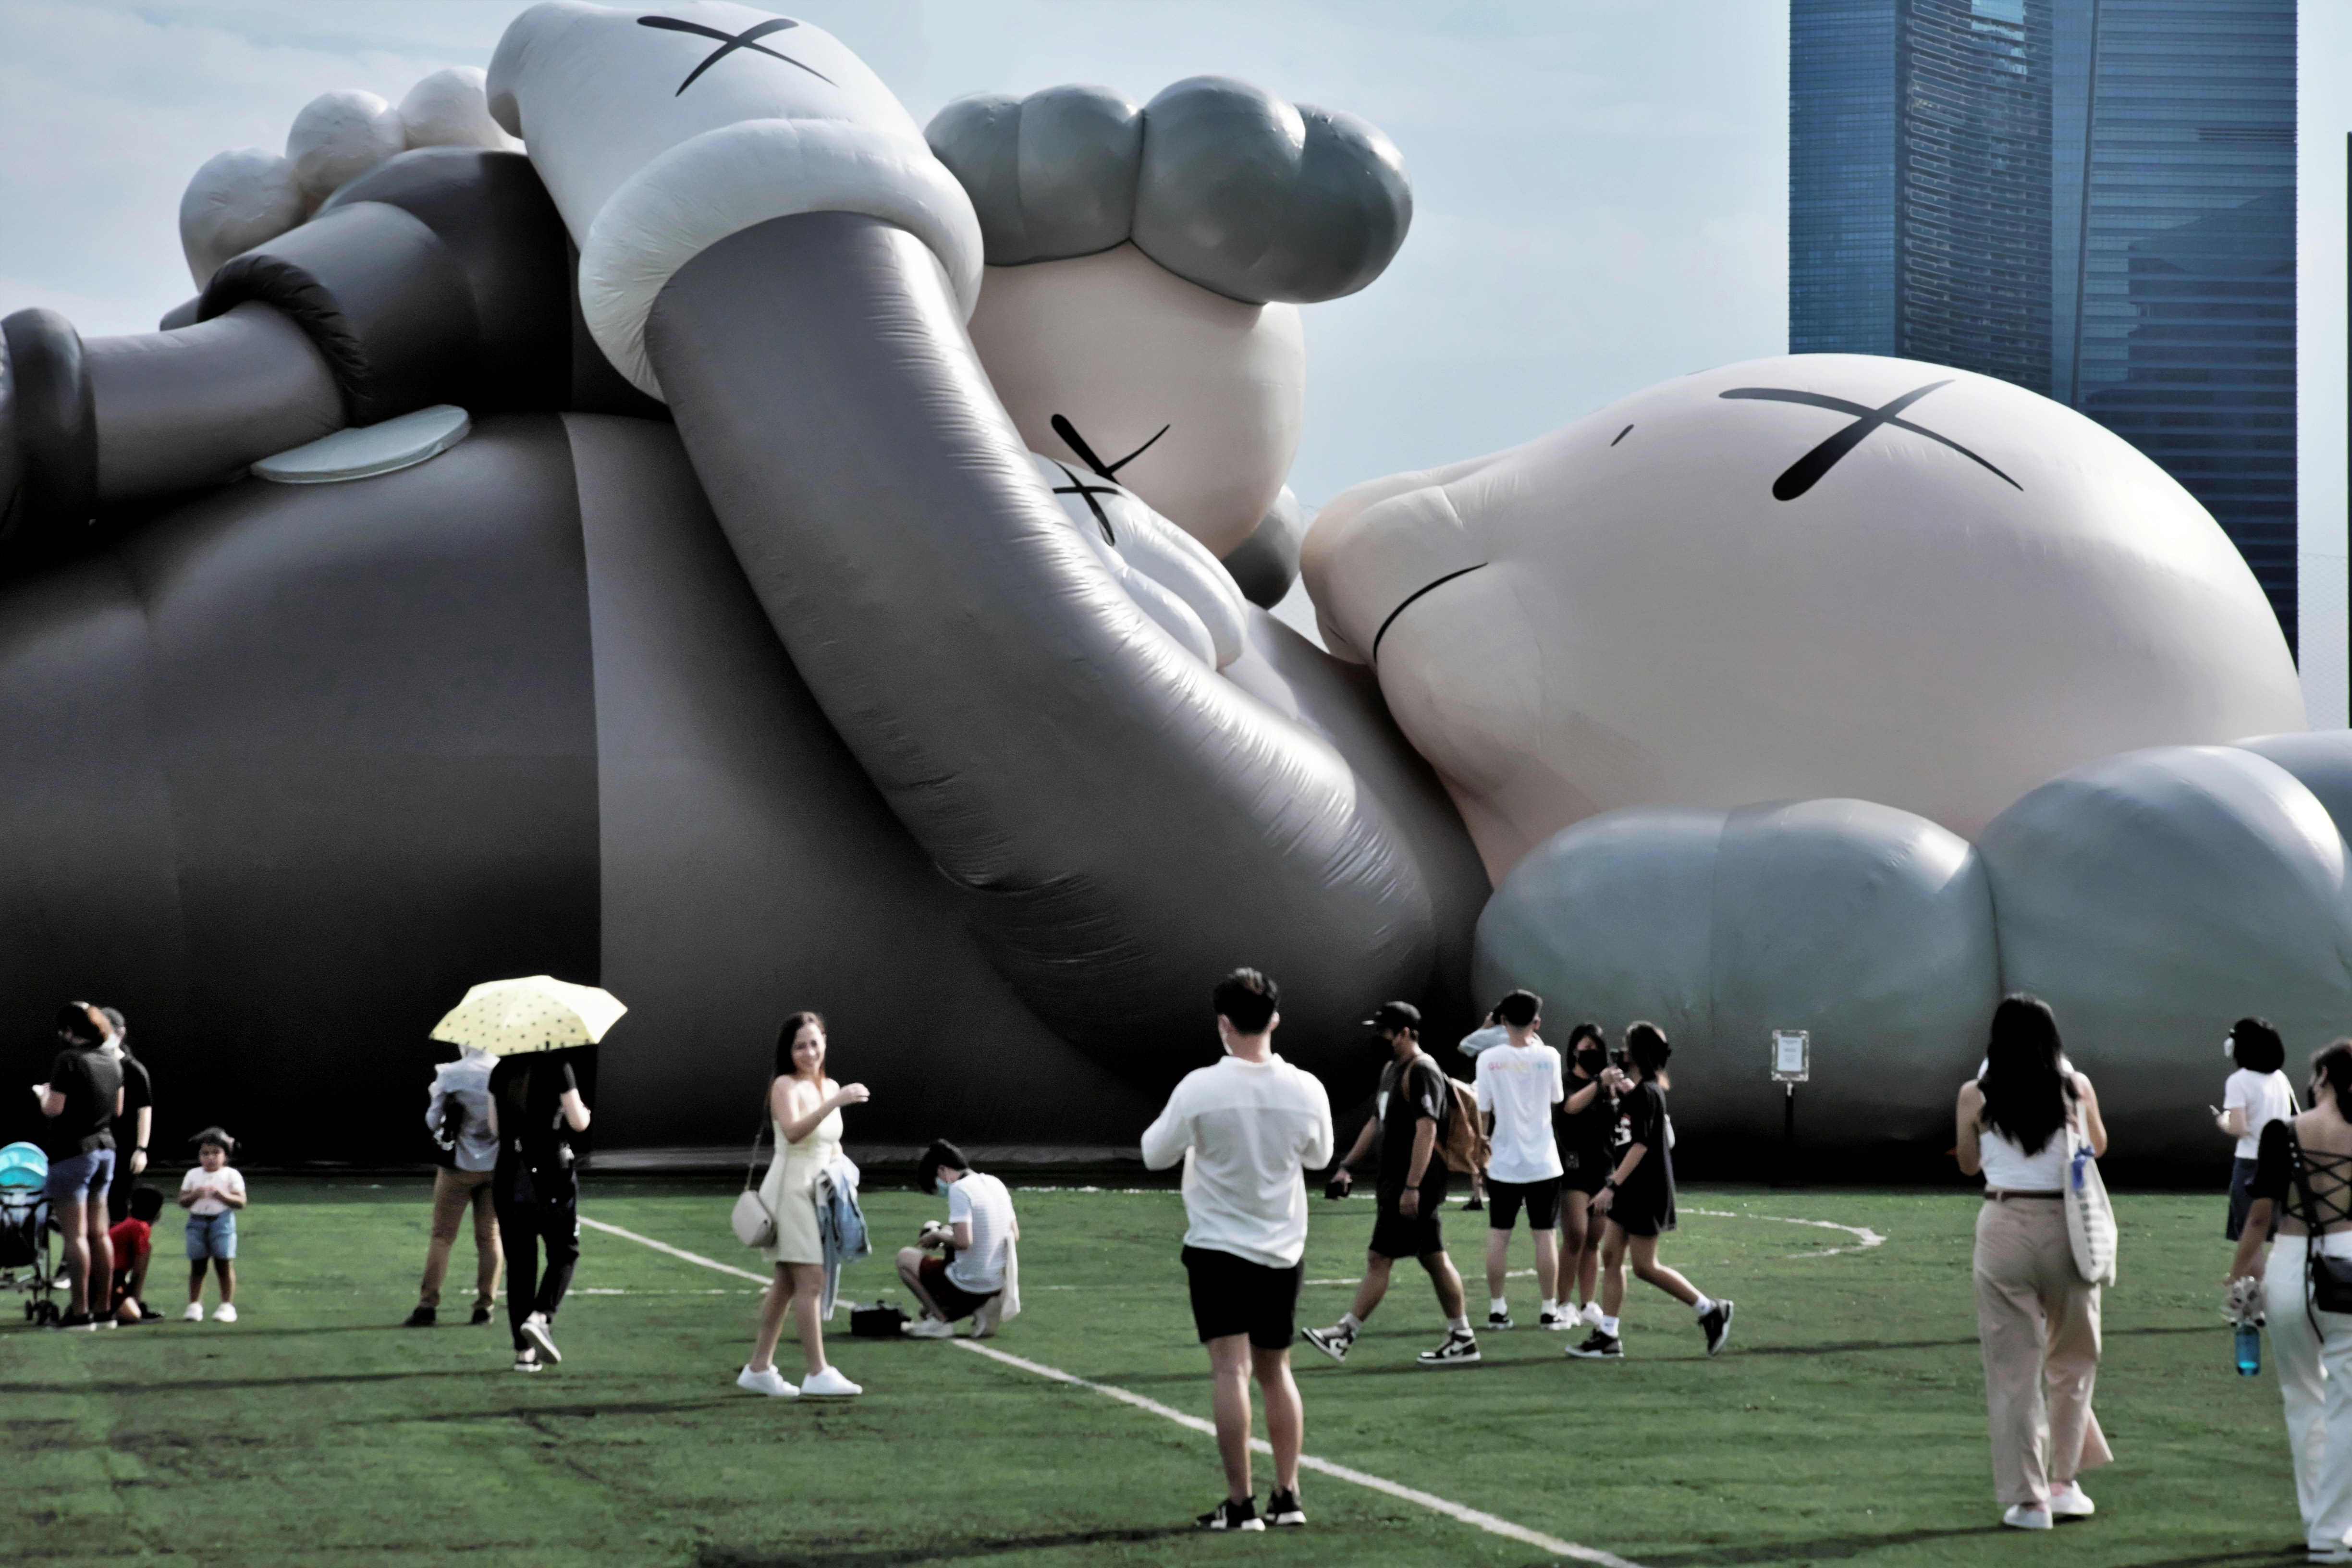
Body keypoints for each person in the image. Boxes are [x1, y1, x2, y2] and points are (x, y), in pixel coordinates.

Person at [1141, 968, 1333, 1531]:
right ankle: (1288, 1495)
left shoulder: (1200, 1087)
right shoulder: (1305, 1088)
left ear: (1223, 1024)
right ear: (1274, 1019)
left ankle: (1241, 1503)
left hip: (1219, 1248)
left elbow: (1155, 1153)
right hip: (1281, 1249)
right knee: (1276, 1370)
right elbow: (1320, 1158)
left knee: (1231, 1370)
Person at [1954, 995, 2110, 1530]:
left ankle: (2030, 1498)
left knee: (2012, 1369)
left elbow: (1970, 1165)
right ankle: (2065, 1481)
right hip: (2066, 1227)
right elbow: (2100, 1148)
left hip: (2003, 1222)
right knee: (2073, 1359)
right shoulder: (2076, 1088)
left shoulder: (1975, 1095)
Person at [1303, 1000, 1481, 1368]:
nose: (1378, 1037)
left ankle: (1345, 1333)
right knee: (1433, 1258)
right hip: (1398, 1182)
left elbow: (1427, 1127)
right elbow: (1376, 1122)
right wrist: (1347, 1166)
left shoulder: (1422, 1071)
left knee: (1379, 1257)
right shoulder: (1392, 1068)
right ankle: (1462, 1337)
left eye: (1384, 1031)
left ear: (1404, 1033)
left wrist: (1413, 1186)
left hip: (1411, 1184)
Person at [2229, 1040, 2352, 1563]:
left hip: (2289, 1265)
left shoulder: (2286, 1131)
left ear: (2322, 1075)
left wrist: (2238, 1280)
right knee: (2347, 1404)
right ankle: (2334, 1530)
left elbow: (2260, 1217)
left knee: (2304, 1401)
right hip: (2348, 1261)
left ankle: (2318, 1525)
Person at [1569, 1021, 1733, 1362]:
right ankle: (1608, 1335)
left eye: (1628, 1046)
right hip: (1631, 1189)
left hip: (1644, 1191)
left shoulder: (1647, 1093)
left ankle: (1709, 1309)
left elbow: (1641, 1146)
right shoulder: (1640, 1091)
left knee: (1645, 1266)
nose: (1622, 1052)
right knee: (1612, 1257)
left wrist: (1610, 1187)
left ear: (1639, 1053)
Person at [738, 1012, 868, 1399]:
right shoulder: (785, 1085)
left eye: (815, 1043)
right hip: (790, 1187)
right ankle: (818, 1371)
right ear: (789, 1051)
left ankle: (759, 1368)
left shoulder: (830, 1085)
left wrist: (845, 1177)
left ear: (825, 1042)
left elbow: (832, 1143)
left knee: (786, 1283)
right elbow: (794, 1134)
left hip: (818, 1192)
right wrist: (837, 1101)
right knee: (812, 1279)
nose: (809, 1052)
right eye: (800, 1046)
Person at [488, 1048, 591, 1372]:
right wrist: (581, 1111)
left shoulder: (500, 1070)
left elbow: (494, 1128)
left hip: (507, 1175)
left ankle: (524, 1355)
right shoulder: (558, 1065)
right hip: (549, 1176)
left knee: (520, 1265)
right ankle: (541, 1315)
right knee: (564, 1252)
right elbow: (578, 1122)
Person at [1472, 990, 1567, 1329]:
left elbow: (1482, 1109)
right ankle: (1548, 1309)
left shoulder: (1488, 1059)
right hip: (1543, 1161)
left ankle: (1498, 1310)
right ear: (1537, 1023)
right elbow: (1557, 1097)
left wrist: (1479, 1149)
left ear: (1501, 1021)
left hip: (1503, 1161)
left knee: (1500, 1235)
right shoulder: (1550, 1057)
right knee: (1545, 1236)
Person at [33, 1003, 123, 1329]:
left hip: (72, 1153)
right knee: (100, 1234)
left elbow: (54, 1109)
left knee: (75, 1237)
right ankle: (104, 1310)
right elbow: (118, 1108)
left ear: (71, 1032)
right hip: (105, 1150)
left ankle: (81, 1312)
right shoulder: (112, 1060)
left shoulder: (68, 1060)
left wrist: (43, 1095)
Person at [406, 1042, 502, 1327]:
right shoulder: (503, 1071)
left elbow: (433, 1122)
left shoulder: (452, 1073)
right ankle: (484, 1307)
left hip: (459, 1166)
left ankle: (427, 1306)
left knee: (443, 1236)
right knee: (489, 1237)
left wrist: (435, 1094)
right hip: (496, 1166)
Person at [897, 1139, 1017, 1338]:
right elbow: (1014, 1234)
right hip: (996, 1284)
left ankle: (940, 1322)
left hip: (965, 1286)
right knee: (923, 1311)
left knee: (904, 1259)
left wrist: (937, 1235)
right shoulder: (996, 1183)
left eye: (936, 1180)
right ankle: (983, 1306)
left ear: (942, 1170)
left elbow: (964, 1242)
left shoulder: (960, 1189)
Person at [1548, 1022, 1613, 1328]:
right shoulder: (1566, 1082)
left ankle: (1588, 1303)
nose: (1592, 1054)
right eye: (1586, 1049)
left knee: (1594, 1238)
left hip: (1602, 1167)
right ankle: (1563, 1303)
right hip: (1573, 1167)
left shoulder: (1607, 1085)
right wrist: (1599, 1084)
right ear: (1573, 1051)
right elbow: (1570, 1107)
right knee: (1575, 1234)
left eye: (1597, 1050)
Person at [2220, 1017, 2297, 1243]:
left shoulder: (2238, 1081)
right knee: (2275, 1230)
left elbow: (2239, 1127)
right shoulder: (2280, 1078)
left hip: (2250, 1163)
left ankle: (2250, 1278)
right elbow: (2295, 1115)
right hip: (2280, 1163)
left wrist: (2223, 1121)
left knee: (2250, 1231)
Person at [178, 1126, 246, 1322]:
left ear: (225, 1155)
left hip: (222, 1222)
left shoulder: (231, 1175)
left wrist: (221, 1195)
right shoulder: (193, 1175)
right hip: (197, 1223)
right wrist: (195, 1195)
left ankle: (227, 1305)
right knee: (197, 1264)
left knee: (223, 1263)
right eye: (205, 1153)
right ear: (199, 1155)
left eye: (216, 1153)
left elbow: (241, 1202)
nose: (210, 1158)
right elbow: (183, 1201)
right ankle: (194, 1305)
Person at [95, 1007, 152, 1226]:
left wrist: (141, 1150)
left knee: (117, 1205)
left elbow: (144, 1109)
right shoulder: (92, 1065)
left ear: (120, 1032)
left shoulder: (134, 1070)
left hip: (125, 1146)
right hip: (97, 1145)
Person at [108, 1185, 164, 1323]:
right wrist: (135, 1298)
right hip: (109, 1279)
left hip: (109, 1278)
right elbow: (139, 1270)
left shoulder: (129, 1224)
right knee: (133, 1316)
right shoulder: (140, 1228)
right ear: (158, 1214)